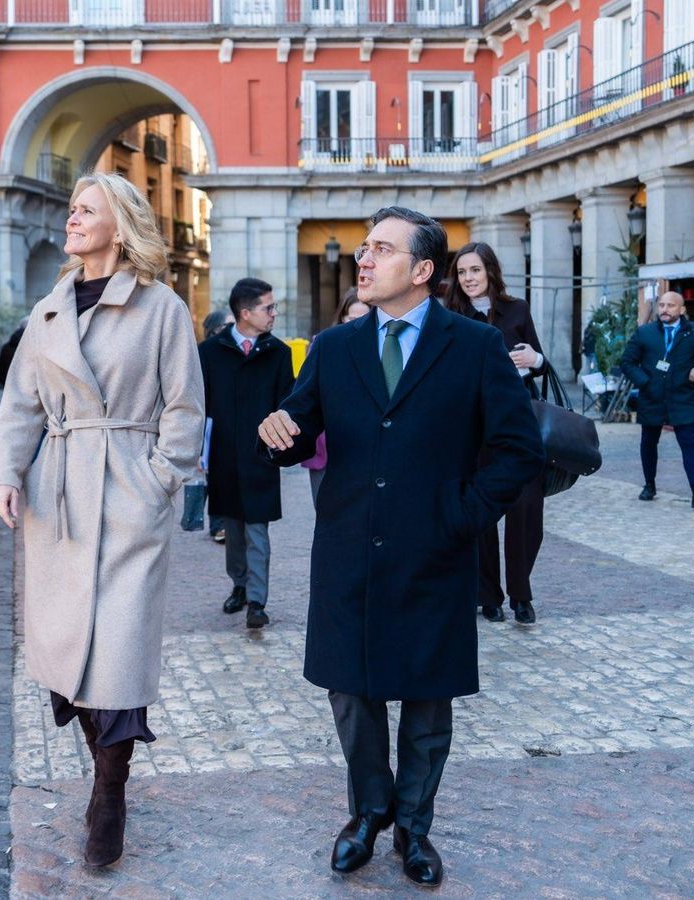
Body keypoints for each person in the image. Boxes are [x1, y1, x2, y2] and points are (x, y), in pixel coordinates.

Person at [258, 207, 543, 887]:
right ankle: (368, 811)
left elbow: (516, 449)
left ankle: (415, 826)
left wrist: (461, 518)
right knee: (350, 691)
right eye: (363, 248)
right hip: (348, 549)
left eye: (381, 250)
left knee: (426, 696)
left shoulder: (473, 346)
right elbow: (302, 424)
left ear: (420, 270)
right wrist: (280, 430)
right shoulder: (333, 348)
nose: (363, 259)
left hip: (434, 550)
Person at [0, 172, 203, 869]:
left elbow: (184, 408)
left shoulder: (161, 308)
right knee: (68, 656)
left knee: (116, 652)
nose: (73, 219)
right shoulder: (49, 310)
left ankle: (110, 792)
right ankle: (105, 777)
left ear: (120, 223)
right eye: (73, 210)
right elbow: (21, 403)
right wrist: (5, 476)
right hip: (59, 500)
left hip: (126, 495)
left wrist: (159, 481)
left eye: (86, 210)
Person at [444, 242, 549, 625]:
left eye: (475, 270)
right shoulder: (450, 315)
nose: (469, 279)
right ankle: (487, 594)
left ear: (490, 270)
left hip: (519, 427)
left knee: (526, 511)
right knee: (482, 514)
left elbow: (538, 360)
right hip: (472, 429)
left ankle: (521, 593)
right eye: (462, 272)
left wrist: (534, 360)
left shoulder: (516, 309)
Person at [199, 278, 293, 628]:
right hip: (222, 457)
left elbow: (287, 403)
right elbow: (198, 404)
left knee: (257, 530)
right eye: (268, 308)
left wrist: (280, 446)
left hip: (260, 458)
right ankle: (238, 583)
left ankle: (257, 600)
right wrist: (197, 450)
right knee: (232, 529)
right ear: (245, 313)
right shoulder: (209, 352)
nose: (274, 314)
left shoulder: (279, 353)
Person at [619, 291, 694, 508]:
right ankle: (649, 485)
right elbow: (627, 362)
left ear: (682, 309)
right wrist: (645, 382)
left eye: (670, 305)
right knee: (649, 443)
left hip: (682, 398)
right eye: (661, 305)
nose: (664, 310)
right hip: (652, 398)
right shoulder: (645, 333)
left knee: (689, 444)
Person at [301, 290, 371, 506]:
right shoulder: (324, 344)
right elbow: (307, 393)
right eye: (352, 318)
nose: (357, 324)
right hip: (326, 443)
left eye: (364, 318)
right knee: (324, 507)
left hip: (365, 444)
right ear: (342, 317)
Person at [200, 307, 235, 543]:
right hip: (210, 423)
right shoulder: (204, 354)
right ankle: (219, 525)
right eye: (228, 326)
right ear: (216, 330)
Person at [0, 318, 27, 390]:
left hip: (9, 382)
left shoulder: (6, 347)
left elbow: (1, 366)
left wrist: (2, 381)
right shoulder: (31, 346)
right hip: (26, 384)